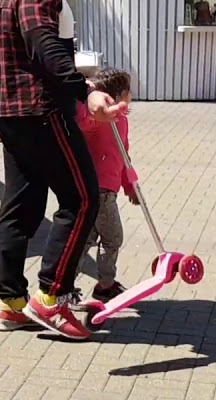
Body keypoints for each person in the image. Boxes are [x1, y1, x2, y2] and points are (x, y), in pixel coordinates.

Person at [0, 0, 126, 341]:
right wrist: (85, 92)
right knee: (82, 198)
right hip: (41, 111)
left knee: (21, 207)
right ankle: (51, 296)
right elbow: (45, 45)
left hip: (9, 112)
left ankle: (12, 304)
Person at [74, 68, 138, 303]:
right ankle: (105, 285)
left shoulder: (122, 122)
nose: (131, 95)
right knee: (113, 238)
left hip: (107, 189)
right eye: (129, 91)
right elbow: (82, 122)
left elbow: (123, 155)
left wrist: (130, 185)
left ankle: (65, 284)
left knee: (87, 238)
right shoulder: (97, 121)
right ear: (119, 95)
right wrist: (89, 102)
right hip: (99, 190)